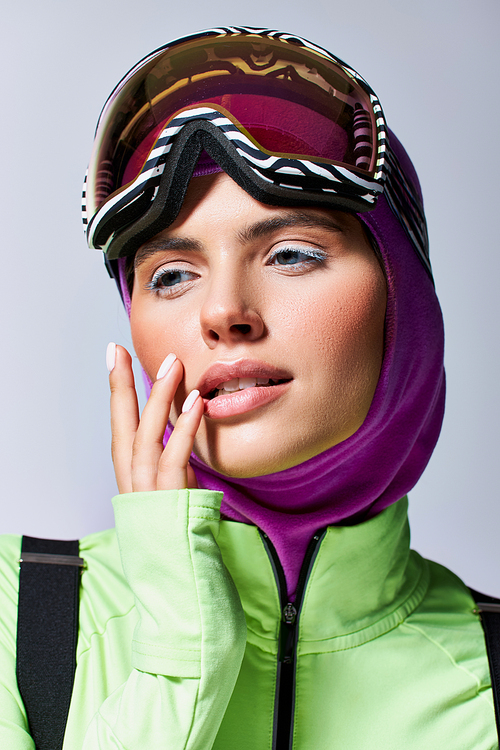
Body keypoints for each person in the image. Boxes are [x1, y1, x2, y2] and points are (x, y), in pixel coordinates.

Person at [0, 26, 497, 749]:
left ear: (401, 296)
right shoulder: (21, 614)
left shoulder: (486, 672)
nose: (224, 312)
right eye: (171, 274)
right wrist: (178, 650)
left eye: (291, 254)